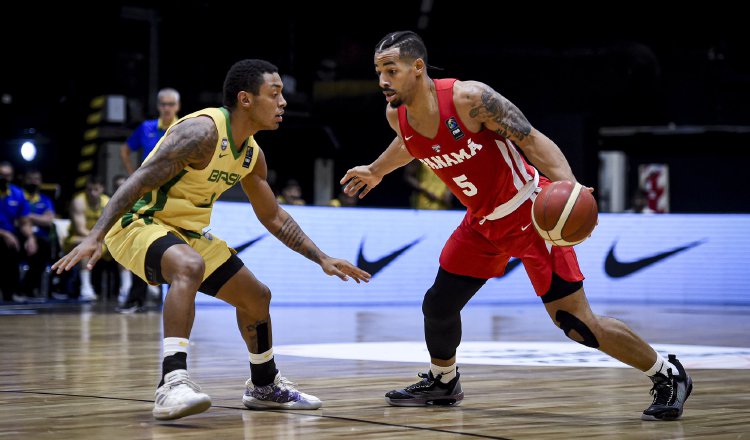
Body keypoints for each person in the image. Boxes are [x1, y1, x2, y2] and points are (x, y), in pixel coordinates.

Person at [340, 31, 691, 421]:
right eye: (378, 71)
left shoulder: (469, 99)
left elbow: (532, 139)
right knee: (438, 305)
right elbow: (410, 143)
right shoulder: (397, 114)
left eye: (391, 70)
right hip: (482, 224)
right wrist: (376, 170)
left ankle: (667, 373)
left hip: (530, 214)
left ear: (418, 68)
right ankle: (444, 381)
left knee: (576, 324)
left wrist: (569, 186)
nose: (382, 80)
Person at [53, 59, 371, 421]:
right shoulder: (201, 133)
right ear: (245, 99)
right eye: (275, 93)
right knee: (189, 265)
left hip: (186, 233)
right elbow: (138, 180)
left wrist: (322, 258)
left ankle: (264, 385)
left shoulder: (252, 154)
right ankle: (171, 383)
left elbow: (273, 216)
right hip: (138, 222)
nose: (283, 102)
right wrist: (96, 235)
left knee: (257, 297)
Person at [64, 176, 110, 301]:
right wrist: (98, 239)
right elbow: (80, 229)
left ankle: (126, 288)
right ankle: (85, 288)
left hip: (100, 240)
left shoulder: (108, 202)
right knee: (86, 246)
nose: (92, 193)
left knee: (123, 246)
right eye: (89, 190)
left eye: (95, 189)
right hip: (77, 239)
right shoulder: (78, 202)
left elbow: (111, 227)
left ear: (102, 189)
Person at [120, 88, 181, 175]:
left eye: (171, 104)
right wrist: (133, 176)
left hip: (175, 182)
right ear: (158, 106)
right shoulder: (146, 127)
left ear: (178, 106)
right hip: (149, 182)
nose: (166, 108)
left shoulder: (184, 127)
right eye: (163, 104)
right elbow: (124, 150)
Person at [0, 162, 37, 302]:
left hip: (11, 236)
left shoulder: (17, 193)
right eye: (1, 175)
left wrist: (31, 238)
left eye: (7, 176)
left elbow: (24, 222)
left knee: (40, 247)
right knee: (7, 247)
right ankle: (8, 292)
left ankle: (25, 290)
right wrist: (4, 234)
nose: (4, 178)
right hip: (4, 236)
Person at [21, 169, 56, 297]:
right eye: (30, 178)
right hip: (20, 234)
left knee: (45, 247)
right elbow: (17, 219)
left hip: (41, 238)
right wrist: (37, 218)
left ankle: (29, 288)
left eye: (36, 179)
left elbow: (48, 220)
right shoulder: (18, 196)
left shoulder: (46, 200)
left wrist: (27, 215)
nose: (33, 182)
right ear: (24, 180)